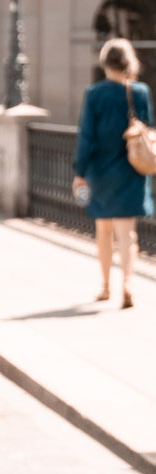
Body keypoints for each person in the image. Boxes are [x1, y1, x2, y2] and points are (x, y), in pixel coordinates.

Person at [74, 37, 153, 309]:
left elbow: (87, 136)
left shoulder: (94, 94)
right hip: (131, 168)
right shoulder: (140, 92)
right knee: (128, 233)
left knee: (104, 230)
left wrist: (80, 171)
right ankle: (128, 283)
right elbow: (148, 127)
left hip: (101, 170)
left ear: (105, 62)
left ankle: (106, 286)